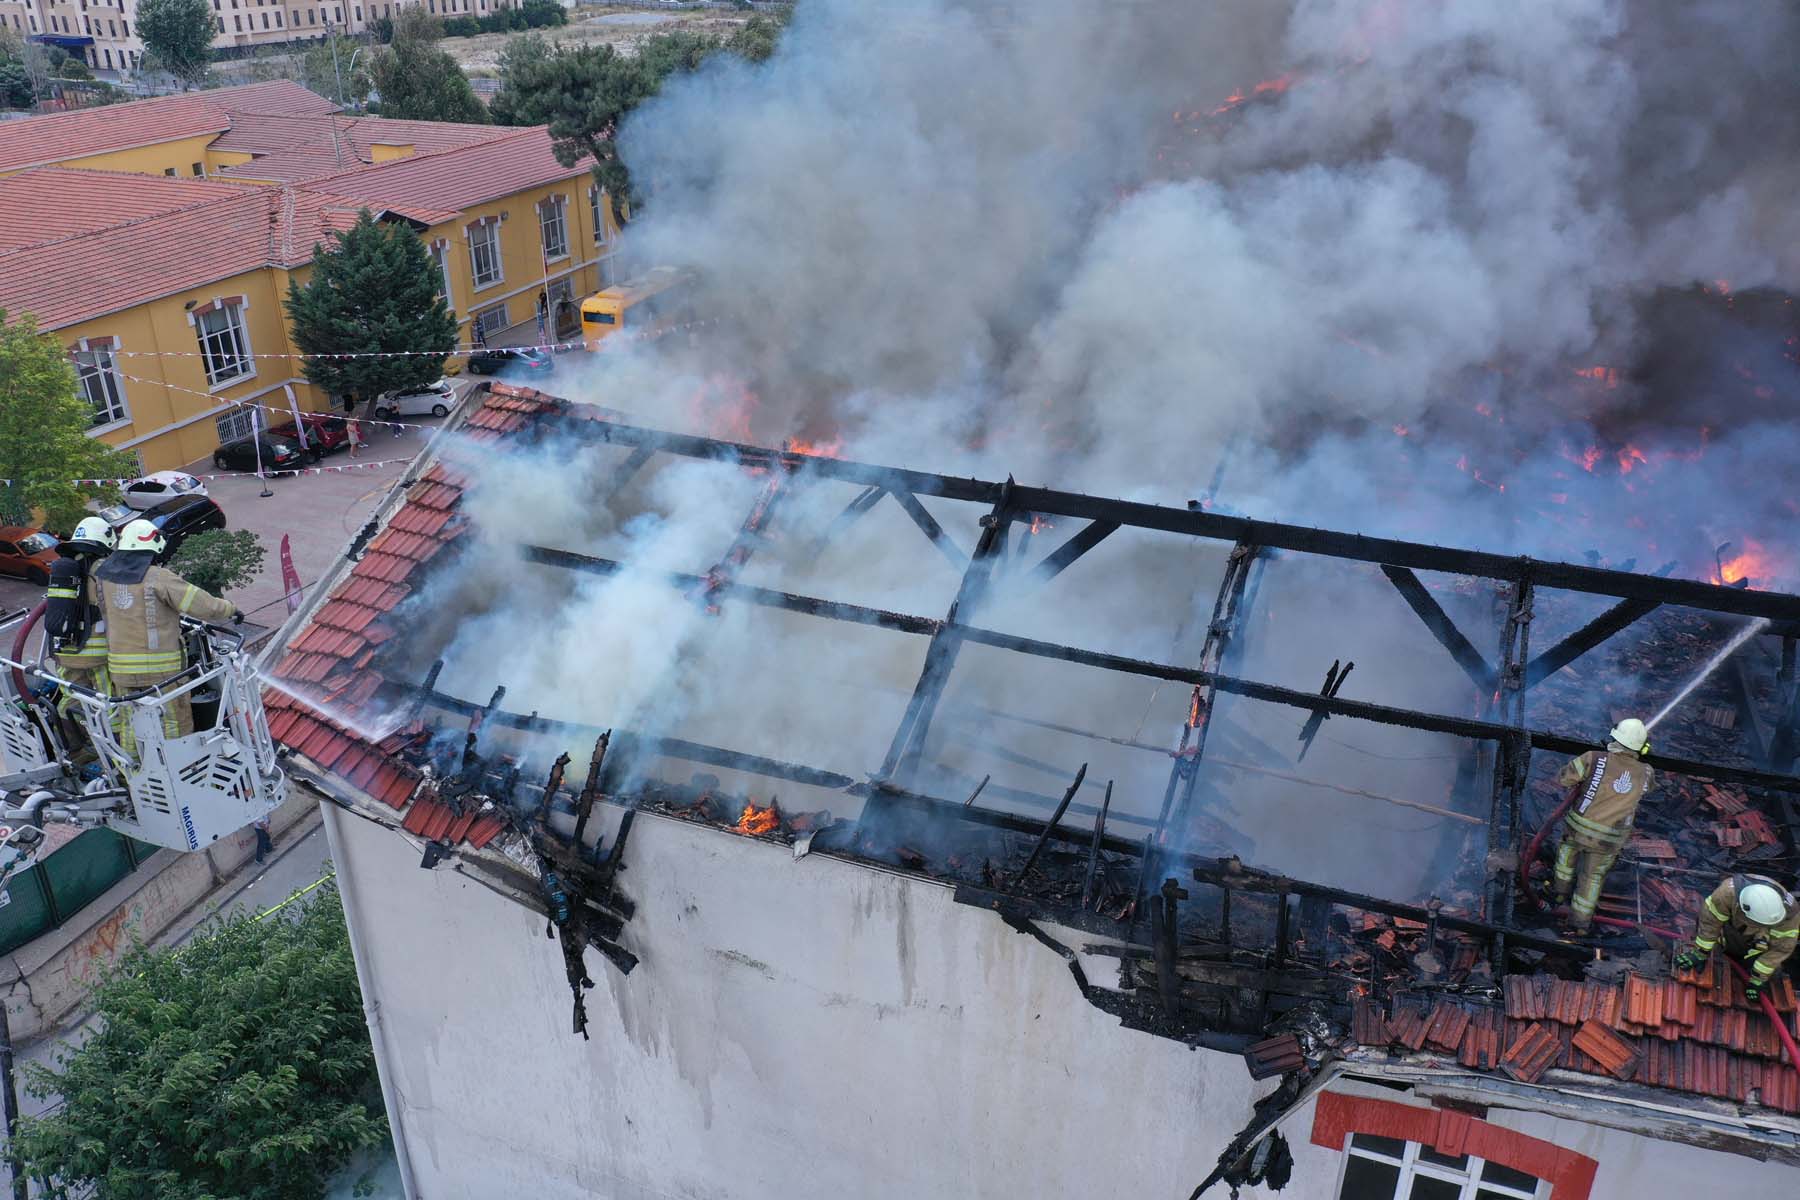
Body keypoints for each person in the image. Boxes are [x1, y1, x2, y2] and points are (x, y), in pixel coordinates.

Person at [95, 518, 240, 745]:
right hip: (161, 673)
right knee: (174, 722)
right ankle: (182, 764)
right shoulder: (158, 577)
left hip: (121, 671)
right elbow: (206, 606)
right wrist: (231, 609)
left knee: (130, 722)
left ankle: (136, 765)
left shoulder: (104, 578)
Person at [1549, 717, 1654, 932]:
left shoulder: (1593, 758)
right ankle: (1579, 925)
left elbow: (1563, 778)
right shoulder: (1646, 773)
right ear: (1641, 747)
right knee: (1592, 878)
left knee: (1565, 860)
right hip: (1609, 841)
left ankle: (1558, 893)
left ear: (1615, 737)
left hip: (1577, 830)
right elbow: (1648, 788)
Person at [1676, 875, 1799, 1001]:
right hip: (1730, 926)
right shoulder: (1725, 895)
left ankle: (1746, 958)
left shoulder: (1789, 915)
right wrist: (1700, 953)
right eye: (1755, 924)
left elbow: (1780, 949)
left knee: (1775, 971)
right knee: (1717, 945)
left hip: (1758, 944)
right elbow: (1710, 923)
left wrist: (1757, 979)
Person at [44, 516, 116, 701]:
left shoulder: (65, 568)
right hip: (95, 655)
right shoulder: (105, 570)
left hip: (62, 652)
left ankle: (67, 720)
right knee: (106, 702)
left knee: (72, 699)